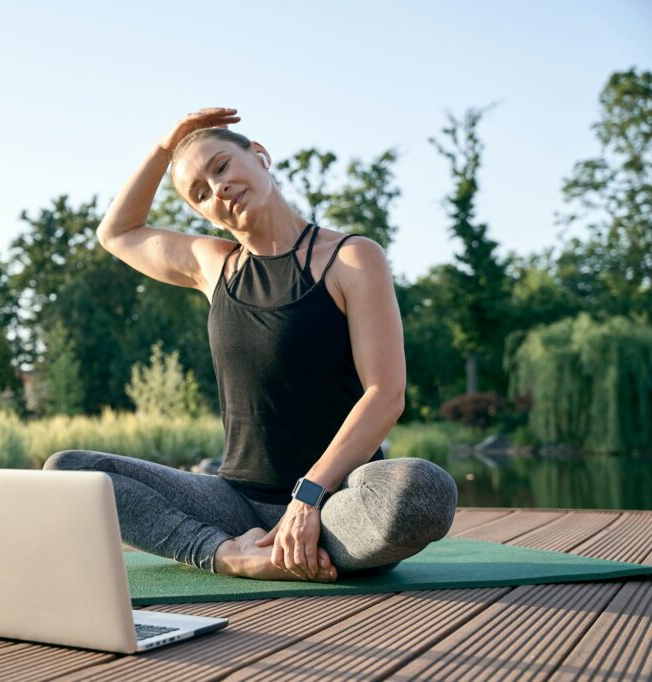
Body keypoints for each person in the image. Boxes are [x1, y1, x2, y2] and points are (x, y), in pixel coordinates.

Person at [44, 107, 457, 582]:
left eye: (221, 166)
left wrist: (308, 497)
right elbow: (116, 233)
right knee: (70, 471)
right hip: (236, 504)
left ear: (259, 156)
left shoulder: (350, 258)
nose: (217, 188)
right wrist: (163, 149)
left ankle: (296, 548)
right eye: (200, 193)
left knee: (422, 490)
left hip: (338, 504)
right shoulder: (213, 265)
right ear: (204, 214)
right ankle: (228, 556)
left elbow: (385, 395)